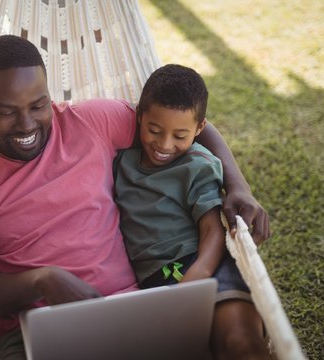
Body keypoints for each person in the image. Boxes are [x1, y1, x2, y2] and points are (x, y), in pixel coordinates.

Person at [0, 35, 270, 359]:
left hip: (131, 308)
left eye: (38, 104)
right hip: (34, 327)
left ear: (49, 94)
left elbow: (189, 124)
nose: (27, 123)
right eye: (5, 111)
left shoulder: (91, 122)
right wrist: (41, 281)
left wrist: (239, 186)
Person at [114, 64, 270, 358]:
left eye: (180, 135)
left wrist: (199, 272)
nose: (164, 144)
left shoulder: (196, 165)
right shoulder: (122, 162)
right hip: (156, 281)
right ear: (139, 116)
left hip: (207, 264)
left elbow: (212, 227)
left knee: (240, 344)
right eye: (154, 130)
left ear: (199, 129)